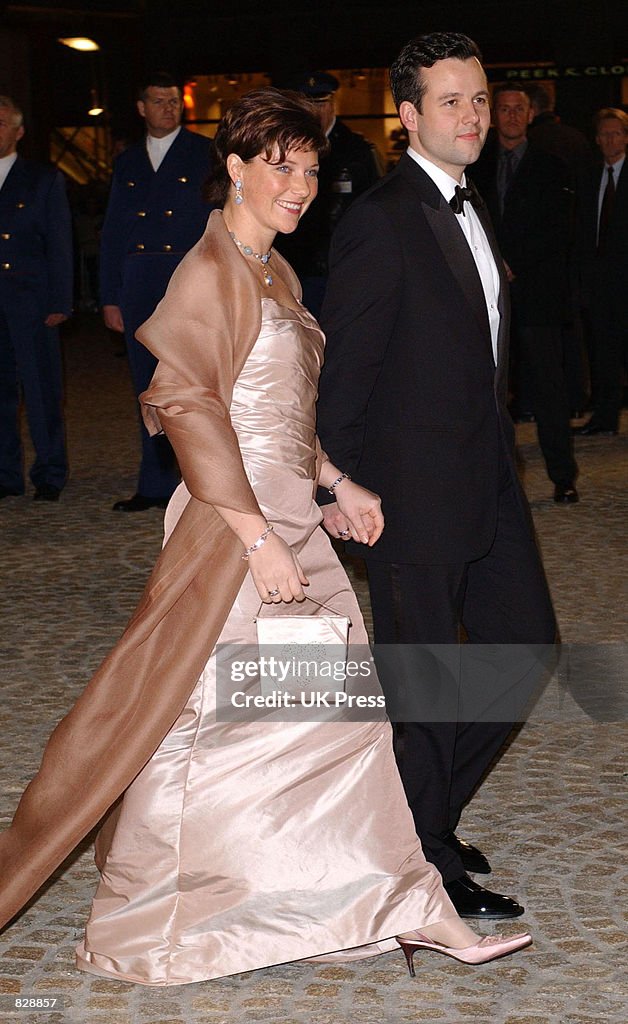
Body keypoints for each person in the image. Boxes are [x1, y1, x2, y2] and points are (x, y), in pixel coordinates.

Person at [0, 88, 531, 985]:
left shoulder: (272, 271)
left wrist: (334, 480)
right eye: (279, 166)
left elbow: (281, 411)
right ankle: (155, 918)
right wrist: (256, 537)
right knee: (204, 726)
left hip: (288, 521)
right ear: (236, 169)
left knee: (334, 727)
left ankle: (390, 904)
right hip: (231, 534)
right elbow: (186, 404)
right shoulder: (208, 270)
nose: (300, 184)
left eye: (312, 168)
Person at [316, 34, 557, 919]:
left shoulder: (471, 202)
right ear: (409, 116)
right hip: (407, 491)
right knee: (425, 686)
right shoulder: (382, 219)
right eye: (450, 102)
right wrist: (335, 481)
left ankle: (420, 818)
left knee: (525, 649)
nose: (472, 117)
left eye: (481, 99)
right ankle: (425, 863)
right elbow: (343, 371)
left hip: (485, 473)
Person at [100, 71, 213, 512]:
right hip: (137, 280)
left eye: (174, 101)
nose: (169, 108)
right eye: (159, 101)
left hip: (184, 277)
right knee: (145, 383)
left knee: (192, 382)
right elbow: (112, 231)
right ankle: (154, 481)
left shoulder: (203, 153)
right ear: (141, 108)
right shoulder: (127, 161)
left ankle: (201, 481)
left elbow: (215, 222)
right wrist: (110, 294)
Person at [472, 84, 579, 503]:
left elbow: (559, 231)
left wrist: (514, 263)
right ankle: (493, 483)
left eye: (519, 109)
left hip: (537, 295)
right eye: (504, 109)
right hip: (486, 295)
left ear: (531, 114)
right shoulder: (474, 167)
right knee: (487, 390)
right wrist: (495, 262)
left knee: (550, 389)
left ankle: (563, 476)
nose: (512, 116)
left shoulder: (553, 167)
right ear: (494, 115)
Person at [0, 95, 72, 502]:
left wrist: (61, 301)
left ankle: (50, 471)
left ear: (19, 131)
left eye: (1, 123)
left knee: (41, 390)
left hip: (31, 299)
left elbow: (59, 243)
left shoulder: (42, 179)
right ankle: (5, 474)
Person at [274, 71, 382, 317]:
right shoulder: (285, 147)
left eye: (320, 103)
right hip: (295, 261)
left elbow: (375, 210)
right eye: (308, 104)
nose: (314, 111)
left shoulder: (357, 150)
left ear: (332, 104)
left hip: (345, 265)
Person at [573, 108, 628, 437]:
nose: (609, 140)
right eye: (603, 135)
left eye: (615, 134)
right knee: (602, 351)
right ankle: (606, 416)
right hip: (598, 281)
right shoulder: (589, 175)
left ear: (625, 137)